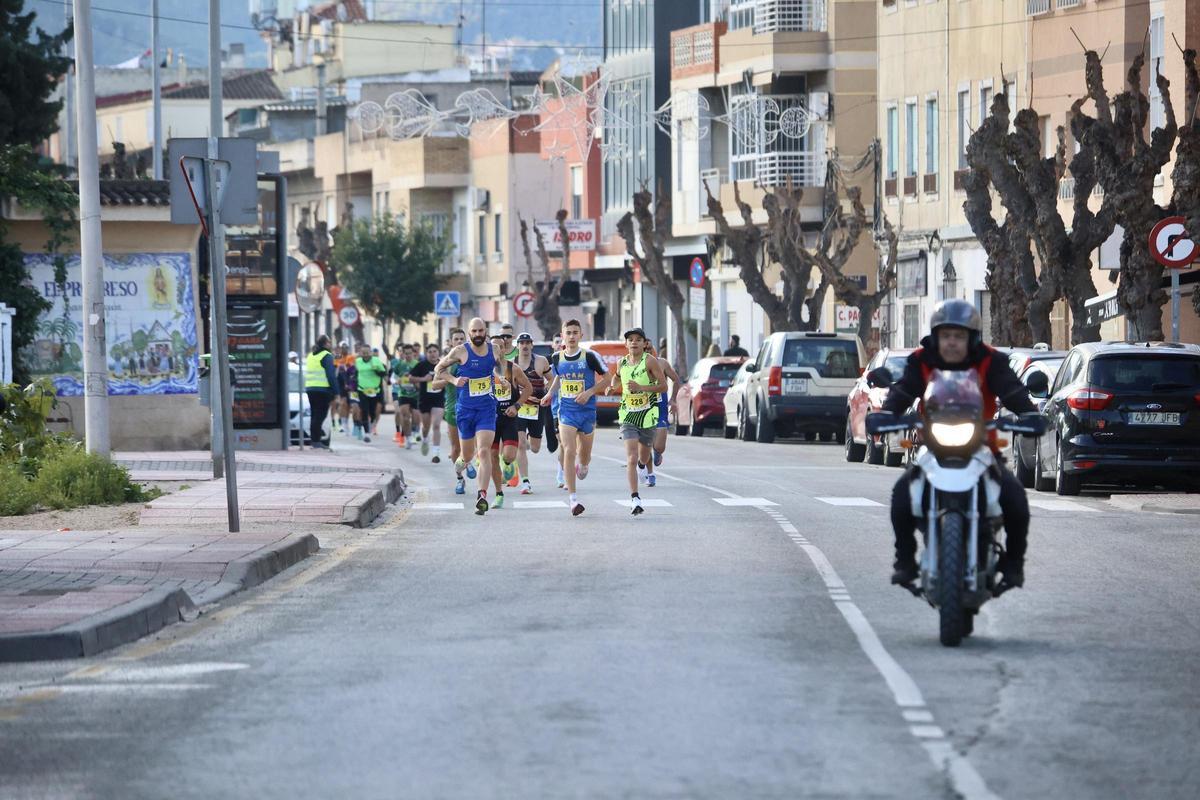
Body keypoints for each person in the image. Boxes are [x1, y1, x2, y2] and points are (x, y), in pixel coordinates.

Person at [879, 299, 1037, 590]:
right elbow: (903, 390)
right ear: (936, 337)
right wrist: (887, 414)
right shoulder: (921, 360)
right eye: (946, 336)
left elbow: (1012, 391)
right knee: (902, 495)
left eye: (959, 336)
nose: (952, 343)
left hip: (981, 447)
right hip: (933, 447)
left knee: (1015, 500)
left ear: (972, 338)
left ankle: (1013, 564)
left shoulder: (991, 360)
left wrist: (1030, 415)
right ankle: (905, 560)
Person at [433, 318, 512, 515]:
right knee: (466, 455)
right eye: (474, 331)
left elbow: (494, 369)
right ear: (469, 333)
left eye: (481, 331)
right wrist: (454, 379)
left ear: (486, 332)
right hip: (465, 410)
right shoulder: (460, 351)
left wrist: (501, 379)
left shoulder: (494, 349)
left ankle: (482, 496)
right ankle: (460, 468)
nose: (478, 334)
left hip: (486, 408)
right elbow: (438, 369)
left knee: (484, 451)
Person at [540, 319, 612, 516]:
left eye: (575, 333)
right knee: (569, 450)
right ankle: (573, 500)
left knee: (584, 456)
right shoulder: (556, 357)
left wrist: (589, 393)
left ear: (581, 335)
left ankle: (585, 464)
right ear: (562, 336)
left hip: (587, 413)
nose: (571, 336)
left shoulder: (590, 356)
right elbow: (558, 378)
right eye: (568, 333)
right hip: (567, 412)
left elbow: (607, 378)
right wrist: (549, 394)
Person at [607, 328, 669, 515]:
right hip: (628, 415)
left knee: (643, 457)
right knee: (631, 458)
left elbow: (664, 386)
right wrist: (612, 387)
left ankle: (644, 466)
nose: (634, 342)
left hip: (648, 414)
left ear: (644, 344)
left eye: (638, 340)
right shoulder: (622, 363)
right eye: (630, 340)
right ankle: (635, 498)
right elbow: (616, 379)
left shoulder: (649, 361)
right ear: (626, 344)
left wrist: (641, 387)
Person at [487, 333, 533, 509]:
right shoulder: (484, 369)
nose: (495, 350)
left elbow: (528, 388)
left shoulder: (513, 369)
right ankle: (499, 493)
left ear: (504, 349)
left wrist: (517, 406)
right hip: (490, 418)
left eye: (498, 346)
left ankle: (507, 463)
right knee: (491, 456)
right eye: (491, 347)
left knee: (508, 455)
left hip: (509, 418)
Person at [513, 332, 553, 495]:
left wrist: (546, 394)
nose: (524, 345)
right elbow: (508, 386)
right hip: (519, 408)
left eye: (527, 342)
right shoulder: (512, 364)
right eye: (521, 343)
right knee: (520, 444)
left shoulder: (541, 361)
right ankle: (525, 482)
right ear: (517, 346)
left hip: (537, 408)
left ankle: (529, 440)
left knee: (535, 448)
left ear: (532, 345)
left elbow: (552, 379)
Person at [431, 328, 468, 493]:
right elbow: (434, 384)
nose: (459, 342)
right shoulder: (446, 361)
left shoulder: (473, 358)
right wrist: (451, 380)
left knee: (471, 446)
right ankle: (460, 478)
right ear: (451, 342)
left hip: (472, 407)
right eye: (456, 339)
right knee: (455, 448)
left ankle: (469, 461)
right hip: (452, 407)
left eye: (462, 339)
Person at [643, 353, 681, 487]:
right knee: (645, 445)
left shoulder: (662, 363)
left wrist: (673, 399)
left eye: (649, 347)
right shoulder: (633, 364)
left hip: (660, 410)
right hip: (642, 410)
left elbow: (676, 380)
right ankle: (650, 474)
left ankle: (657, 453)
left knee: (658, 446)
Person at [410, 343, 444, 462]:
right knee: (425, 427)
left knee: (436, 425)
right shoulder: (421, 365)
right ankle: (425, 439)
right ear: (426, 354)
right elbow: (411, 378)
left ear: (438, 353)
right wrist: (423, 379)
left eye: (435, 351)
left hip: (438, 399)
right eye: (430, 352)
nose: (432, 354)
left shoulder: (443, 364)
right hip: (424, 399)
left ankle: (436, 453)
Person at [303, 335, 338, 449]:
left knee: (314, 415)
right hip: (322, 390)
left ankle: (314, 440)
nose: (330, 344)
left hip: (310, 389)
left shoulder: (310, 356)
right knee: (320, 415)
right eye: (329, 342)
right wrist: (336, 391)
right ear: (325, 343)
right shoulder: (327, 356)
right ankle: (316, 441)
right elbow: (331, 375)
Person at [354, 344, 387, 443]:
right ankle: (367, 433)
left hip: (374, 390)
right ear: (360, 353)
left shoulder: (376, 361)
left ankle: (372, 422)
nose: (365, 355)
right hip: (362, 389)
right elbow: (356, 373)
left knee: (372, 411)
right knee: (364, 410)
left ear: (371, 353)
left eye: (367, 353)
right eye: (363, 353)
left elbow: (383, 373)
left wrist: (376, 369)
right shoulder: (358, 361)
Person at [391, 344, 419, 448]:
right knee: (405, 416)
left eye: (410, 353)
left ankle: (413, 431)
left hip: (415, 394)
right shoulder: (399, 365)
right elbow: (392, 378)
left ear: (414, 353)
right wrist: (396, 381)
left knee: (416, 417)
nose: (408, 355)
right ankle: (408, 438)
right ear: (403, 353)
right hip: (402, 393)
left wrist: (416, 382)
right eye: (406, 353)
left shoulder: (417, 364)